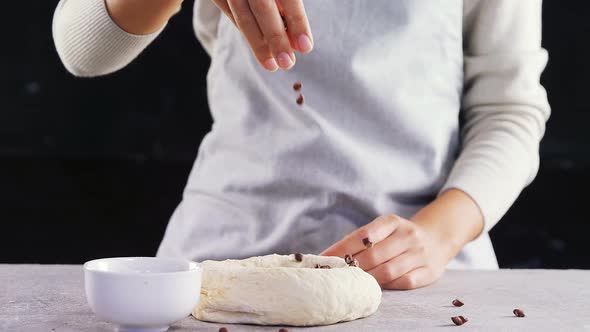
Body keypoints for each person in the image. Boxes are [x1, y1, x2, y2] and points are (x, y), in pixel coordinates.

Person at [53, 0, 550, 289]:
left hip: (421, 279)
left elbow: (510, 109)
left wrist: (438, 237)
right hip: (224, 260)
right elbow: (83, 50)